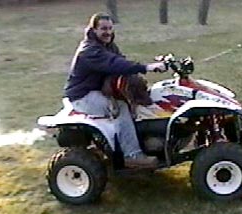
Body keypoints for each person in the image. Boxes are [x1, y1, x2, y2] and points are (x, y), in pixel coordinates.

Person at [64, 12, 166, 168]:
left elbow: (121, 61)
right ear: (94, 30)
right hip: (83, 96)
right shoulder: (90, 50)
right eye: (103, 28)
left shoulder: (108, 44)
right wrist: (146, 67)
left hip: (98, 90)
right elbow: (114, 63)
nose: (108, 32)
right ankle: (132, 155)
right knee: (120, 108)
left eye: (110, 28)